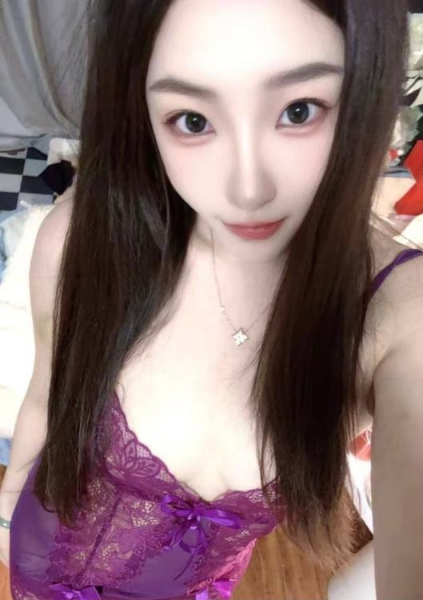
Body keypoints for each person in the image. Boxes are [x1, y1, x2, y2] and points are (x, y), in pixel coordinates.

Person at [0, 0, 422, 598]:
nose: (248, 190)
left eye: (298, 110)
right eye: (193, 120)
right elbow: (47, 398)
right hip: (43, 561)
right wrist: (7, 511)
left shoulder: (399, 315)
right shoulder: (83, 241)